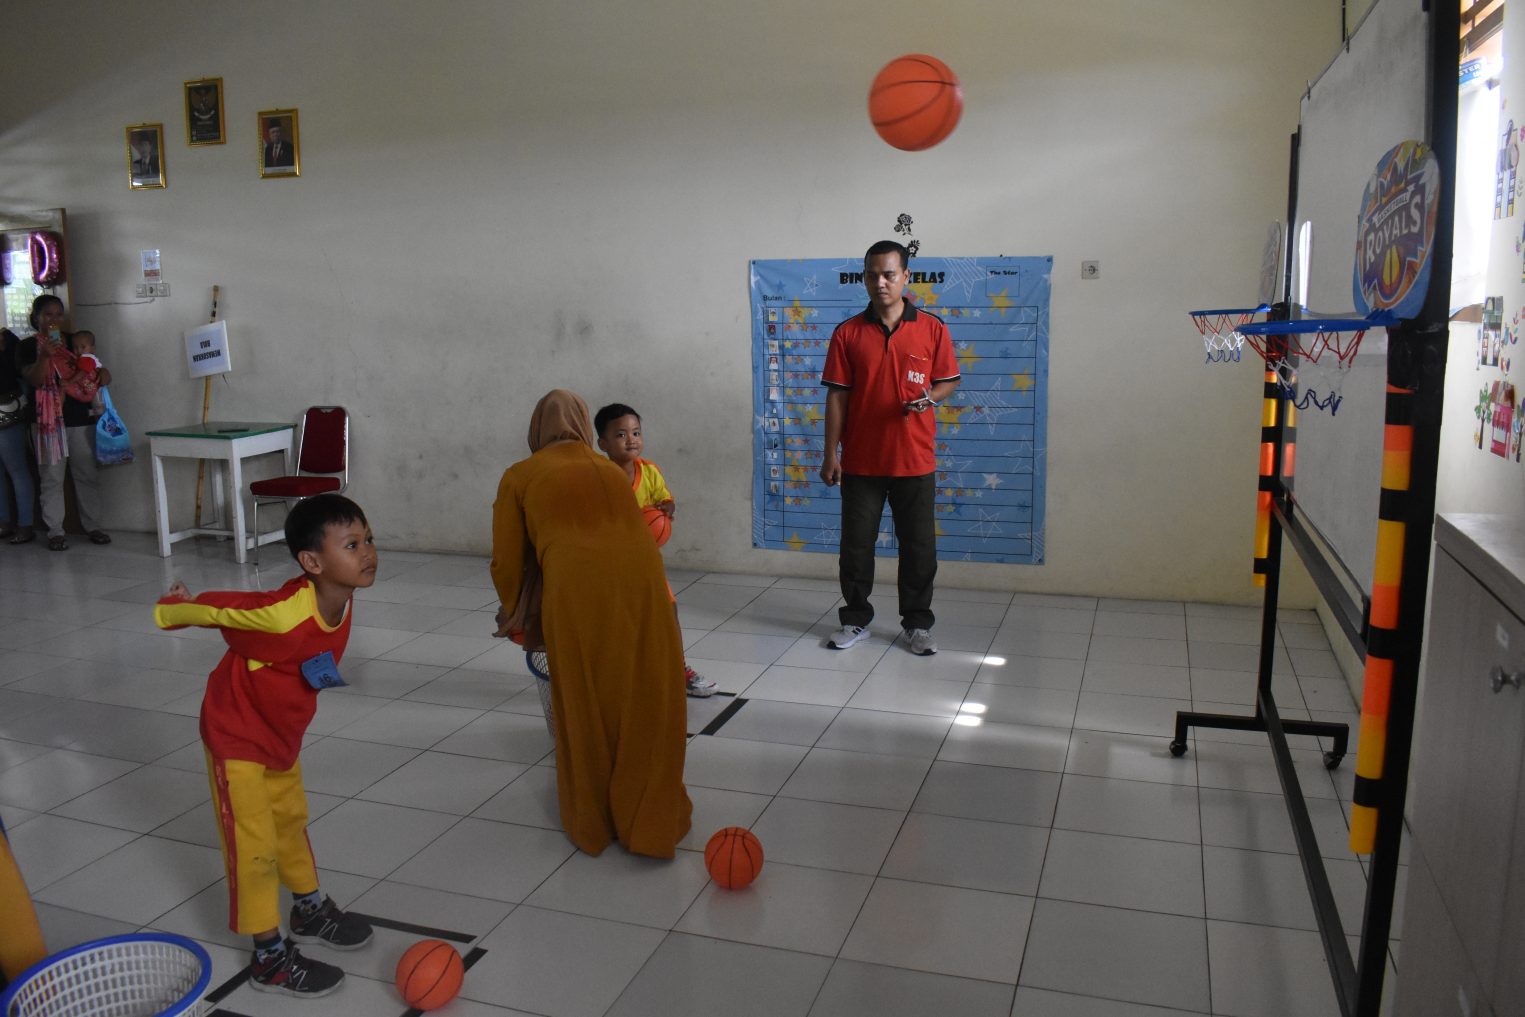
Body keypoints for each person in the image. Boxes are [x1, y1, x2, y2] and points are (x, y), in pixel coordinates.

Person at [153, 494, 377, 998]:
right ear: (312, 562)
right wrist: (172, 609)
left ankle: (309, 909)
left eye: (368, 539)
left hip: (280, 736)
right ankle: (269, 958)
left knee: (291, 820)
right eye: (351, 545)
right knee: (252, 845)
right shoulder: (283, 613)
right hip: (236, 734)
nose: (367, 552)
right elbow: (222, 608)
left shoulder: (341, 596)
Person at [491, 390, 692, 858]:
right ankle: (650, 819)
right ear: (585, 427)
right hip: (645, 586)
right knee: (641, 691)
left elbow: (507, 561)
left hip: (576, 590)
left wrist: (514, 610)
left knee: (585, 695)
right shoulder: (608, 468)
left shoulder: (521, 475)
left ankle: (595, 820)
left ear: (536, 429)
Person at [819, 240, 962, 656]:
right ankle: (855, 619)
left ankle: (917, 625)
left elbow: (949, 380)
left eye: (888, 274)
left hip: (914, 460)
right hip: (861, 462)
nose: (879, 282)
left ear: (906, 277)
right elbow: (837, 397)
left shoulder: (932, 328)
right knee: (855, 548)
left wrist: (929, 399)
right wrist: (830, 453)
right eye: (871, 275)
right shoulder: (847, 332)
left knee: (919, 548)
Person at [593, 401, 717, 698]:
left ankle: (678, 669)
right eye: (621, 434)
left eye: (636, 432)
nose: (631, 440)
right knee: (617, 621)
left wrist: (666, 510)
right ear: (603, 444)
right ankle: (616, 675)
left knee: (667, 612)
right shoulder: (597, 476)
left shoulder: (649, 471)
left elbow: (664, 501)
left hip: (646, 562)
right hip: (610, 566)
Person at [16, 295, 111, 550]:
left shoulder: (72, 341)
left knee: (86, 475)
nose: (54, 319)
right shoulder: (27, 346)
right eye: (48, 314)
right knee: (51, 478)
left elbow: (93, 369)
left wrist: (101, 373)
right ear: (36, 317)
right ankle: (55, 532)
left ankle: (93, 526)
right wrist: (45, 356)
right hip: (46, 423)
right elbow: (34, 380)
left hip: (79, 419)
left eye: (59, 314)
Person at [0, 329, 36, 544]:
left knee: (17, 469)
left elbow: (17, 375)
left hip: (8, 411)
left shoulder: (8, 340)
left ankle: (25, 524)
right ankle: (3, 522)